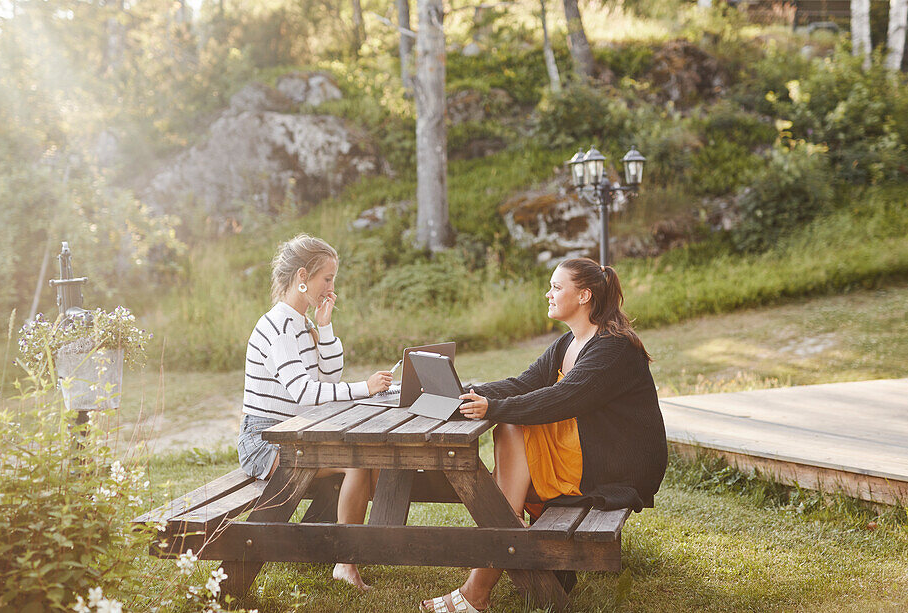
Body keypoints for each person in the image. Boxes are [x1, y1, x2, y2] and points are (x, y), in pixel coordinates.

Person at [420, 257, 667, 613]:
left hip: (612, 468)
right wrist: (463, 392)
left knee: (508, 428)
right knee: (508, 435)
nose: (547, 294)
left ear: (584, 296)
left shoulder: (614, 348)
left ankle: (479, 585)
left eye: (556, 287)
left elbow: (561, 399)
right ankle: (506, 525)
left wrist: (493, 408)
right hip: (585, 452)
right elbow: (523, 383)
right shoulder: (570, 343)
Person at [237, 233, 392, 591]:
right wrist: (364, 388)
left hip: (296, 433)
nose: (331, 287)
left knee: (370, 457)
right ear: (303, 276)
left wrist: (325, 326)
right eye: (328, 278)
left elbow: (329, 376)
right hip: (264, 441)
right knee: (355, 462)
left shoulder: (302, 323)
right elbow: (306, 394)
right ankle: (345, 563)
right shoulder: (279, 327)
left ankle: (355, 547)